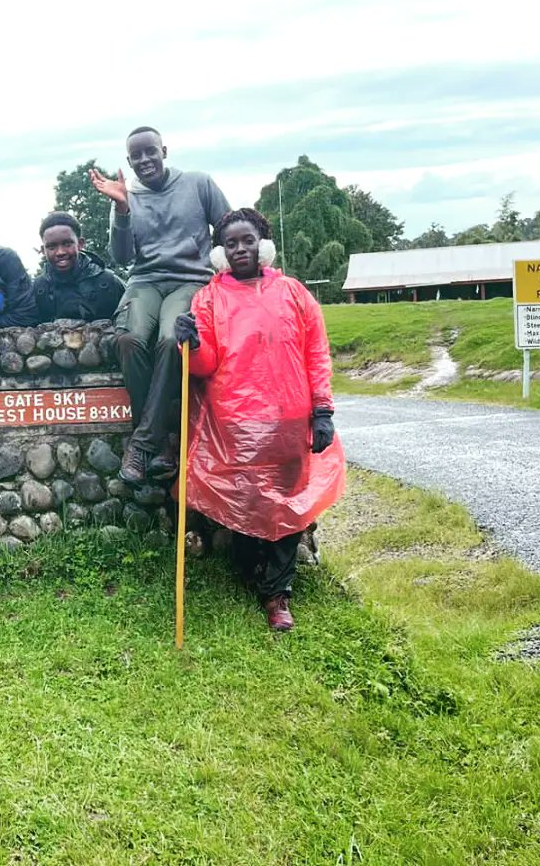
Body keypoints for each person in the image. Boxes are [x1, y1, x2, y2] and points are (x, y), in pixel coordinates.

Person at [174, 208, 344, 631]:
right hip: (236, 423)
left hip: (290, 419)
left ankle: (277, 593)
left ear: (262, 244)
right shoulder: (208, 299)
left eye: (247, 240)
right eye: (230, 243)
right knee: (246, 503)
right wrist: (190, 344)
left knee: (290, 504)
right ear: (220, 252)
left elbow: (316, 352)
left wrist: (322, 410)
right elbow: (205, 365)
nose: (240, 249)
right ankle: (250, 571)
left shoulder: (294, 292)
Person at [89, 127, 229, 486]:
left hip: (190, 279)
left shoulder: (198, 183)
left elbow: (229, 229)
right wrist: (121, 209)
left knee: (171, 341)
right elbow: (121, 258)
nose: (145, 160)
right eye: (136, 156)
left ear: (163, 151)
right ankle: (162, 442)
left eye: (150, 151)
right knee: (128, 339)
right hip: (145, 281)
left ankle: (142, 445)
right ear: (129, 160)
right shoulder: (128, 195)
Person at [32, 211, 125, 323]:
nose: (60, 252)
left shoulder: (109, 282)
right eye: (52, 247)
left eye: (67, 244)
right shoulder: (37, 290)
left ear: (80, 244)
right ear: (43, 251)